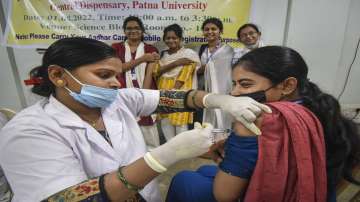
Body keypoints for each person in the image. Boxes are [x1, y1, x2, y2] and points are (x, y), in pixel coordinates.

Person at [0, 37, 271, 202]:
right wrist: (165, 155)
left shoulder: (118, 100)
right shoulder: (28, 131)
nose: (116, 84)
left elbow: (178, 98)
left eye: (117, 76)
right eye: (104, 75)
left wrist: (219, 100)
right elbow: (75, 198)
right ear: (58, 75)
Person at [167, 46, 360, 202]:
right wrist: (235, 150)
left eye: (245, 84)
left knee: (184, 179)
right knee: (203, 170)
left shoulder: (253, 117)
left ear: (287, 85)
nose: (234, 93)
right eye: (234, 84)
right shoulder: (318, 108)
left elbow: (224, 195)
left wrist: (233, 155)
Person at [111, 16, 160, 148]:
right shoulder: (116, 48)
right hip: (122, 94)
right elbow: (118, 69)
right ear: (124, 31)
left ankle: (152, 162)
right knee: (126, 130)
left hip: (145, 92)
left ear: (142, 30)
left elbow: (149, 74)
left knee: (148, 130)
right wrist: (142, 59)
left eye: (137, 28)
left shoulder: (150, 49)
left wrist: (142, 96)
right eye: (129, 28)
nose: (133, 31)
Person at [154, 24, 201, 141]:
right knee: (165, 123)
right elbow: (156, 72)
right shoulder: (162, 55)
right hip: (162, 90)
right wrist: (176, 63)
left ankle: (181, 155)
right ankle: (170, 154)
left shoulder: (189, 54)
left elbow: (187, 72)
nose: (171, 40)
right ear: (164, 39)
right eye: (168, 38)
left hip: (180, 91)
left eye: (174, 38)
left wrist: (173, 92)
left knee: (181, 125)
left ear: (180, 39)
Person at [197, 18, 234, 129]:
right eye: (206, 29)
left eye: (214, 29)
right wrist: (204, 68)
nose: (210, 32)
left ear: (220, 31)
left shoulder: (228, 50)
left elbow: (229, 71)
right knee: (204, 121)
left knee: (222, 118)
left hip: (223, 91)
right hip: (204, 90)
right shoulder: (201, 49)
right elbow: (196, 70)